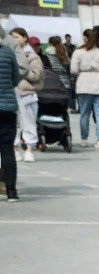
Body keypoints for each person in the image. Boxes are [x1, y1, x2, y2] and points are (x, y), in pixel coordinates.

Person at [71, 29, 99, 150]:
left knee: (84, 113)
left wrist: (83, 71)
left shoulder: (78, 53)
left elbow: (73, 70)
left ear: (85, 38)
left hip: (83, 84)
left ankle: (84, 139)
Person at [9, 29, 42, 162]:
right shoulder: (9, 54)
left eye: (17, 37)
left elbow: (36, 75)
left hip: (27, 93)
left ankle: (29, 149)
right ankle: (14, 148)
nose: (14, 40)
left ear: (24, 38)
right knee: (14, 123)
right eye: (12, 37)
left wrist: (21, 71)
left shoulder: (32, 56)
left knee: (29, 122)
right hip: (12, 92)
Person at [1, 38, 21, 200]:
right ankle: (11, 190)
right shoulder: (8, 53)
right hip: (8, 108)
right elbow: (16, 78)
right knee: (7, 150)